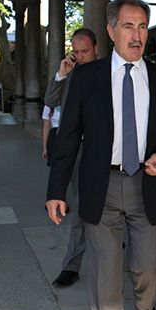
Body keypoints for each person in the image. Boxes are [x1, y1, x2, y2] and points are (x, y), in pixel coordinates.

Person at [45, 0, 156, 310]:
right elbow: (67, 136)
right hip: (101, 186)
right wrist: (56, 190)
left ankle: (147, 308)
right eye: (128, 26)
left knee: (147, 267)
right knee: (105, 272)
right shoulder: (87, 78)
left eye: (142, 27)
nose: (136, 36)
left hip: (146, 185)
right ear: (111, 30)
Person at [42, 28, 99, 288]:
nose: (80, 56)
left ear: (96, 48)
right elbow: (49, 102)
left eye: (84, 51)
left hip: (106, 153)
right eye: (75, 52)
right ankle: (71, 266)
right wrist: (61, 75)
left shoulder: (109, 73)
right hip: (77, 152)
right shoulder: (71, 75)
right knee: (79, 211)